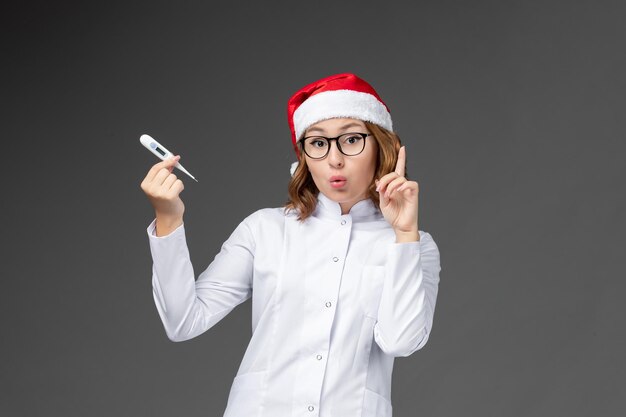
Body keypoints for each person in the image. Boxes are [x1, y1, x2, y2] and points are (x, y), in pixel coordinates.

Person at [140, 73, 441, 417]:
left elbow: (401, 342)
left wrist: (404, 235)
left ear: (381, 145)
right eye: (318, 143)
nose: (335, 159)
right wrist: (168, 218)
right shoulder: (265, 229)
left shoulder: (416, 245)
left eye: (352, 139)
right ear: (304, 155)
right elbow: (183, 321)